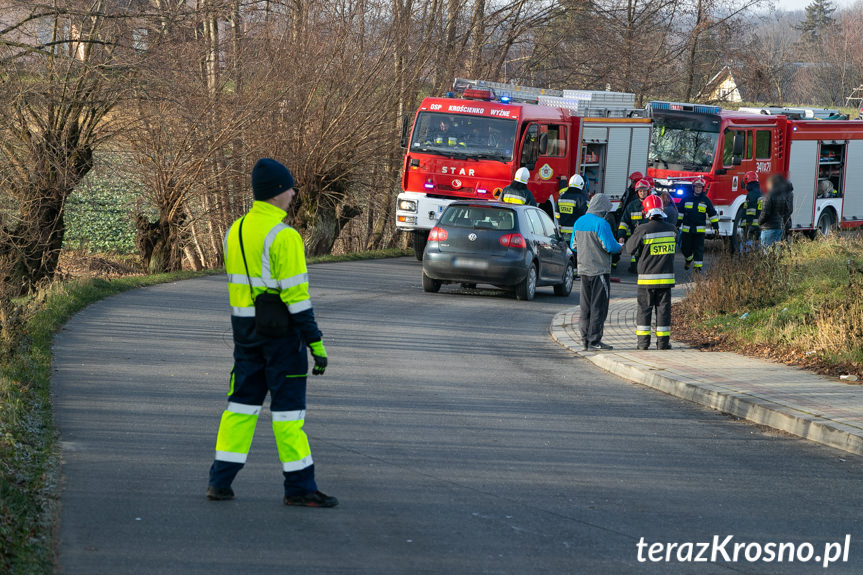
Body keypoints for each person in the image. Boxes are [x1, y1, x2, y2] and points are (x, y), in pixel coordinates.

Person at [207, 158, 337, 508]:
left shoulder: (233, 231)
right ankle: (299, 488)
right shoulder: (285, 236)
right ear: (278, 192)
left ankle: (220, 482)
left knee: (240, 409)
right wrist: (316, 344)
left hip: (244, 335)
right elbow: (297, 298)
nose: (294, 192)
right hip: (282, 339)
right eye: (290, 187)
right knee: (288, 416)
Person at [626, 194, 677, 350]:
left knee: (644, 310)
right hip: (666, 280)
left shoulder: (643, 229)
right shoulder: (672, 230)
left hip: (646, 279)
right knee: (663, 311)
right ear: (661, 210)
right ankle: (662, 344)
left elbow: (629, 249)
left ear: (646, 212)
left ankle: (643, 344)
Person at [571, 193, 621, 351]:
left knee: (585, 306)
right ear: (602, 209)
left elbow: (574, 245)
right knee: (599, 306)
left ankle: (585, 339)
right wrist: (620, 246)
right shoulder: (602, 224)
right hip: (599, 270)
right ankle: (595, 341)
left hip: (584, 270)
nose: (608, 212)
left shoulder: (579, 222)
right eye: (607, 209)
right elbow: (611, 247)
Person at [677, 177, 718, 271]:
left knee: (698, 249)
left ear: (702, 188)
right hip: (687, 230)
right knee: (685, 248)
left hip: (699, 231)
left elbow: (712, 214)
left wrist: (716, 227)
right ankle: (688, 259)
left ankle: (697, 267)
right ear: (693, 187)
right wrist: (678, 224)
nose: (698, 189)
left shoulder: (706, 200)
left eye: (700, 187)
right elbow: (680, 214)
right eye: (696, 187)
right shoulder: (686, 199)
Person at [618, 179, 652, 273]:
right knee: (635, 259)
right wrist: (621, 236)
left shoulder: (652, 204)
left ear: (648, 191)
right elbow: (624, 222)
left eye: (644, 191)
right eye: (640, 191)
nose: (642, 193)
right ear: (637, 192)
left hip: (649, 237)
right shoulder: (632, 206)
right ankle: (634, 267)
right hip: (636, 236)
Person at [759, 174, 793, 248]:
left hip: (768, 227)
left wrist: (759, 222)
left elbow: (765, 213)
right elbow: (788, 210)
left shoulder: (768, 196)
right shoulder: (782, 196)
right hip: (779, 227)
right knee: (776, 252)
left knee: (766, 253)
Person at [556, 174, 589, 240]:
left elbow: (557, 215)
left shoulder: (562, 197)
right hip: (576, 233)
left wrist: (563, 182)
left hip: (562, 233)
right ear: (581, 185)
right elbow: (587, 214)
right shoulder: (581, 198)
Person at [740, 171, 763, 248]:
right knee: (757, 243)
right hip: (759, 224)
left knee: (748, 244)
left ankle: (747, 256)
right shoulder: (760, 192)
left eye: (746, 184)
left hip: (751, 224)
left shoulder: (751, 194)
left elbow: (749, 211)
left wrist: (745, 224)